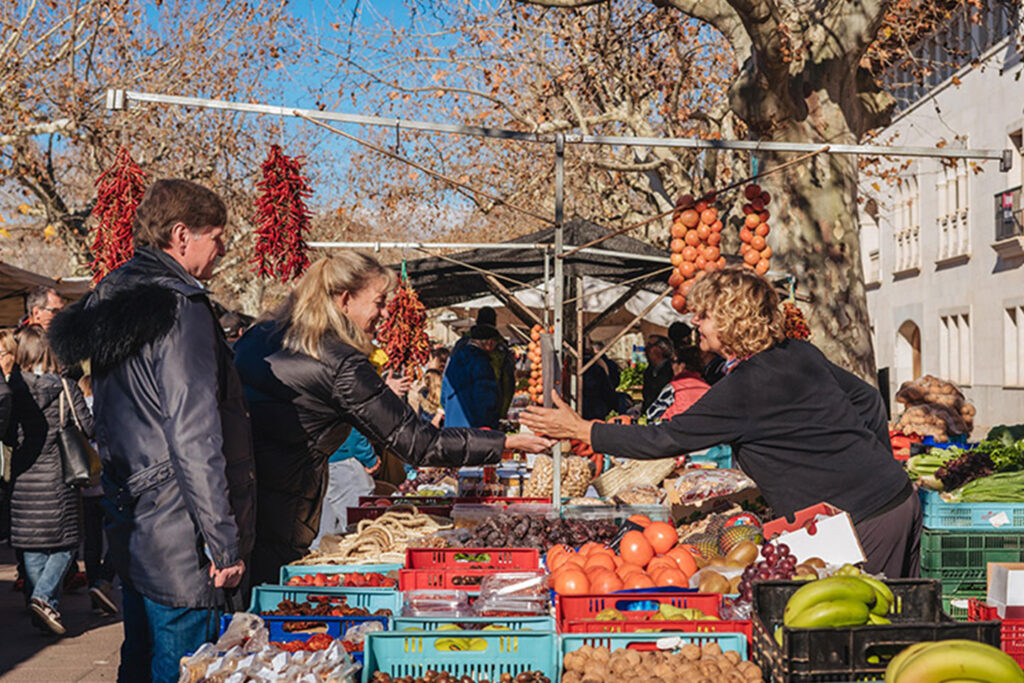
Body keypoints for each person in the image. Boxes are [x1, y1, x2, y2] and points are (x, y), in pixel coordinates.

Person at [522, 266, 919, 578]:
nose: (695, 322)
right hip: (895, 499)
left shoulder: (746, 386)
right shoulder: (798, 353)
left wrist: (580, 429)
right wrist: (877, 469)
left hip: (863, 521)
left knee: (863, 640)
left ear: (732, 320)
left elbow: (666, 438)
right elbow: (867, 399)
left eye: (705, 315)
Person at [233, 254, 552, 586]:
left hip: (238, 503)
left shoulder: (261, 336)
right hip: (280, 512)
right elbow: (419, 443)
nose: (385, 314)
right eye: (380, 303)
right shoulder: (340, 364)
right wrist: (507, 442)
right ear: (345, 300)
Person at [49, 179, 255, 683]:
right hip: (178, 527)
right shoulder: (180, 306)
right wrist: (223, 541)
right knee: (186, 666)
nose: (222, 251)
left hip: (137, 515)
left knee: (141, 658)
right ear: (182, 236)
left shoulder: (115, 293)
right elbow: (194, 430)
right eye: (218, 237)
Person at [6, 326, 89, 635]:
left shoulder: (12, 387)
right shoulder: (65, 386)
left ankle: (43, 605)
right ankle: (43, 597)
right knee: (66, 545)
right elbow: (89, 426)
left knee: (33, 546)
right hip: (59, 478)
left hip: (24, 477)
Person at [77, 374, 118, 615]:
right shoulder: (110, 410)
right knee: (117, 538)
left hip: (86, 485)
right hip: (109, 484)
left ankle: (95, 590)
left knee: (91, 542)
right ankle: (105, 580)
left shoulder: (77, 412)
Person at [441, 319, 504, 429]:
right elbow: (486, 399)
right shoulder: (482, 363)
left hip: (451, 427)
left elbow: (443, 396)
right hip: (474, 430)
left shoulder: (455, 359)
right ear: (489, 343)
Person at [645, 343, 711, 422]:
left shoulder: (673, 388)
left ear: (682, 366)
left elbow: (653, 416)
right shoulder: (708, 388)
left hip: (676, 431)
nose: (672, 366)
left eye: (673, 361)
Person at [641, 334, 674, 412]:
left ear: (661, 349)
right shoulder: (649, 371)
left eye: (650, 346)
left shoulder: (671, 370)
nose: (646, 349)